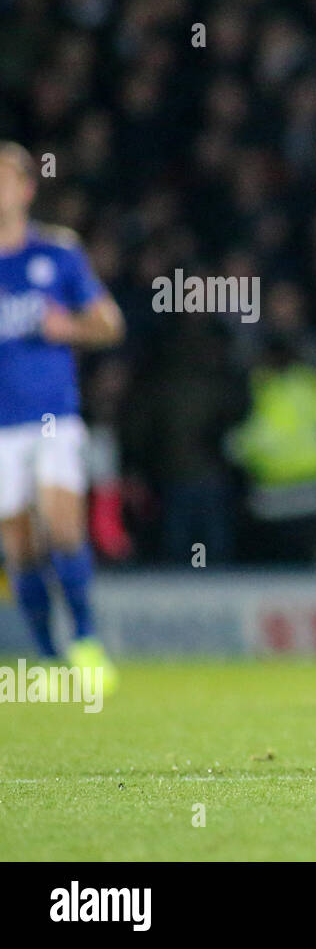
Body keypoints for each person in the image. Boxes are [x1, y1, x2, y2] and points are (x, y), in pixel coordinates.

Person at [0, 142, 124, 687]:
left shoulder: (58, 254)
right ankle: (49, 658)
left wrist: (68, 329)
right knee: (20, 548)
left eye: (5, 179)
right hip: (1, 427)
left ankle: (87, 638)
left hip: (54, 417)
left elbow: (110, 324)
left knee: (64, 527)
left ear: (27, 189)